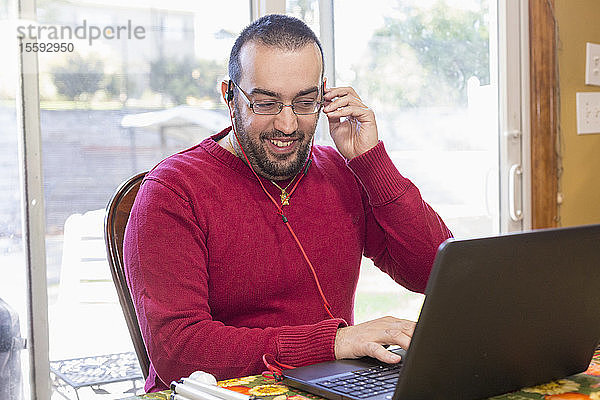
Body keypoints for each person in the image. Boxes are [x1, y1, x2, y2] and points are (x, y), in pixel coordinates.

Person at [124, 14, 452, 392]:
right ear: (230, 97)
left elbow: (434, 273)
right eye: (265, 103)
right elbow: (177, 351)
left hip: (331, 385)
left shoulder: (342, 172)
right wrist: (333, 342)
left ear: (325, 96)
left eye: (304, 102)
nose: (287, 125)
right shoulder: (173, 189)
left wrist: (371, 160)